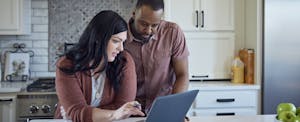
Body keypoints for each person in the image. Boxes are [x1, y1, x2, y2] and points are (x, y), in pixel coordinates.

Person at [54, 10, 144, 122]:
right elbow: (77, 112)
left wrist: (81, 114)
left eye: (123, 42)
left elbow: (124, 108)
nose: (121, 48)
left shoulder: (124, 61)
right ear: (98, 38)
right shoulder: (67, 65)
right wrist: (113, 114)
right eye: (116, 41)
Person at [125, 0, 190, 114]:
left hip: (164, 108)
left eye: (155, 25)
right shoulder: (120, 35)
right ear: (134, 13)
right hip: (130, 109)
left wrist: (175, 109)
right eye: (143, 24)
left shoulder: (172, 33)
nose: (148, 30)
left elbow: (182, 75)